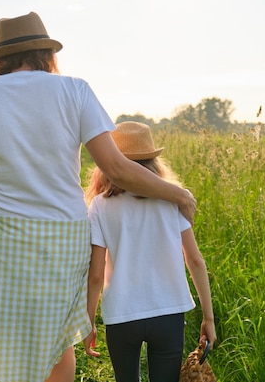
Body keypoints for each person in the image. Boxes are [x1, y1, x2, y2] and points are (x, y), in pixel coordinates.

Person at [0, 12, 196, 382]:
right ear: (46, 53)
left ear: (0, 60)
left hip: (5, 238)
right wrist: (178, 194)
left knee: (8, 338)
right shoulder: (75, 90)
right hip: (65, 236)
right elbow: (117, 169)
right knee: (59, 345)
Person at [83, 121, 216, 382]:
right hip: (167, 311)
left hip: (121, 313)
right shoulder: (172, 200)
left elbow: (96, 274)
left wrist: (89, 322)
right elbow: (195, 260)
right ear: (154, 162)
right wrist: (208, 317)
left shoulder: (99, 206)